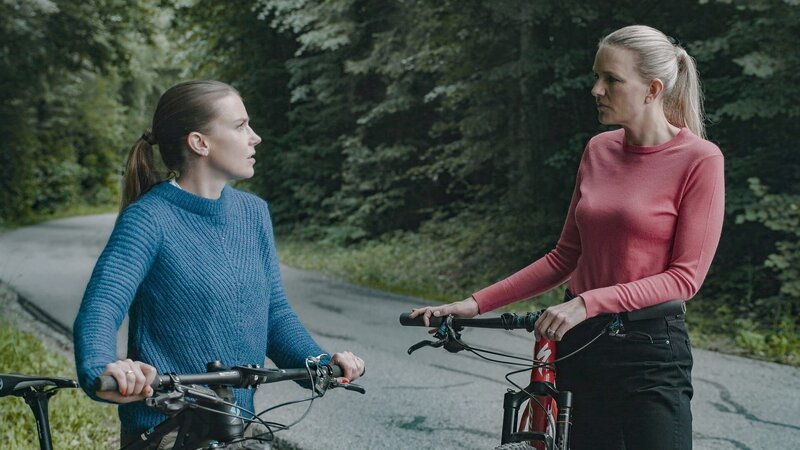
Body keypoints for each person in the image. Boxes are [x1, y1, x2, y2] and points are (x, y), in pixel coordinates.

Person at [409, 25, 724, 450]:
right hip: (580, 346)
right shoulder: (598, 150)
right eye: (596, 76)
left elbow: (685, 278)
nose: (596, 89)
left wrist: (587, 302)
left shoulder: (699, 160)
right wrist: (473, 303)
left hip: (649, 353)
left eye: (611, 79)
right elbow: (564, 257)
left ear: (652, 89)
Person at [73, 80, 365, 447]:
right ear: (200, 143)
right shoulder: (149, 218)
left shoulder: (253, 213)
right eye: (241, 126)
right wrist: (102, 367)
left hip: (237, 422)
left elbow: (273, 314)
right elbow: (101, 307)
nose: (255, 137)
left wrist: (320, 364)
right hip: (168, 427)